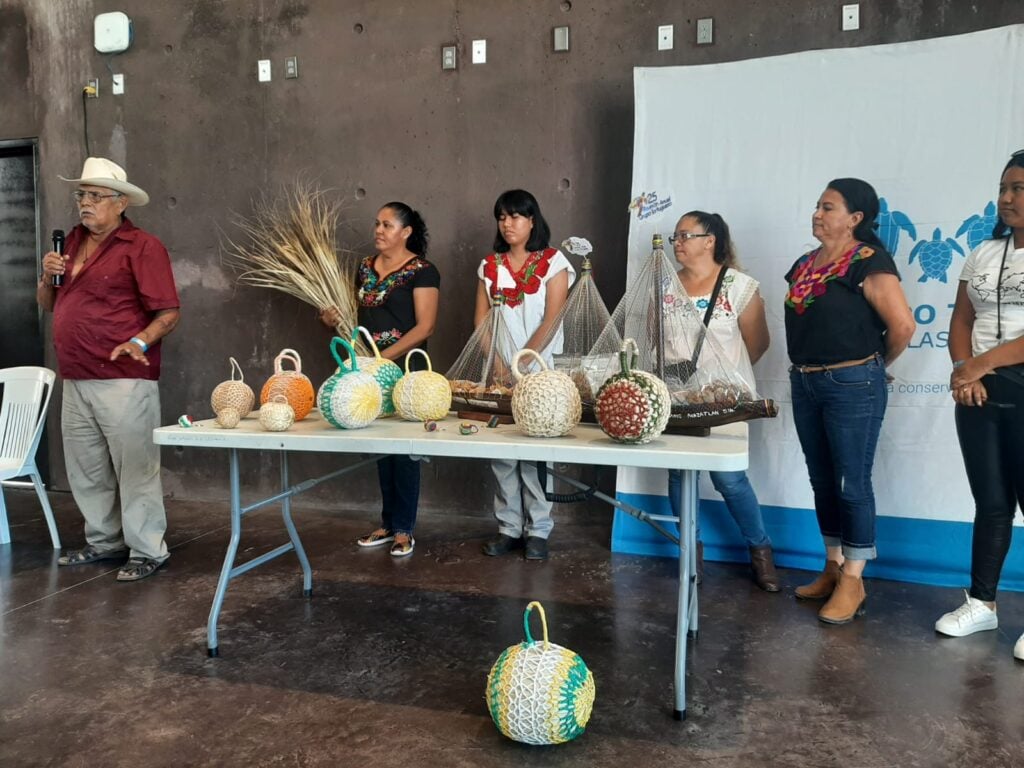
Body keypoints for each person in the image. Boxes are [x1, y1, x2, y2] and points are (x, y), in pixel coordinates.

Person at [37, 157, 180, 582]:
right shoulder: (70, 243)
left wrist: (138, 341)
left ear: (120, 203)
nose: (85, 203)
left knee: (135, 467)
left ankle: (148, 550)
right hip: (76, 374)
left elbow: (169, 312)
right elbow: (50, 306)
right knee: (87, 467)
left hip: (123, 379)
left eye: (95, 196)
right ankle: (105, 543)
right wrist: (47, 278)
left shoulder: (142, 246)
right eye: (81, 194)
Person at [784, 178, 915, 623]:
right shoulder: (804, 264)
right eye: (817, 206)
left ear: (856, 218)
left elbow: (902, 327)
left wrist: (873, 365)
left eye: (829, 207)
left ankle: (853, 580)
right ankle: (833, 565)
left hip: (852, 383)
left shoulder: (868, 261)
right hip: (805, 382)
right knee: (822, 479)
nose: (817, 214)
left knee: (851, 483)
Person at [934, 150, 1024, 659]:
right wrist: (965, 372)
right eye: (1003, 188)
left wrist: (978, 365)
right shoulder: (983, 253)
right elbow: (961, 320)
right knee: (991, 502)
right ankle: (982, 604)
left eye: (1018, 189)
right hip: (979, 388)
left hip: (1014, 382)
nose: (1007, 198)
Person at [665, 211, 778, 592]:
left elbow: (757, 343)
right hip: (677, 397)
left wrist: (726, 379)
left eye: (685, 235)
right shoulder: (665, 286)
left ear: (709, 240)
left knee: (729, 479)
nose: (677, 242)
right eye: (675, 236)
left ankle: (761, 552)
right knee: (680, 476)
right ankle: (689, 556)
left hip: (726, 401)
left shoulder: (739, 286)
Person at [320, 202, 439, 557]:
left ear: (406, 233)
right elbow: (352, 315)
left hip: (405, 372)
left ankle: (404, 529)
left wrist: (382, 360)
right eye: (377, 224)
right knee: (381, 448)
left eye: (387, 225)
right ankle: (388, 524)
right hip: (368, 370)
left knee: (404, 450)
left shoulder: (423, 271)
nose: (379, 230)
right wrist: (331, 319)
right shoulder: (364, 268)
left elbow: (425, 327)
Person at [477, 189, 574, 561]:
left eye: (516, 216)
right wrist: (499, 363)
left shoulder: (553, 262)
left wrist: (525, 362)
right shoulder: (489, 265)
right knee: (501, 452)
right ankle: (508, 528)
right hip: (500, 370)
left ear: (533, 220)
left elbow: (552, 318)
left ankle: (539, 530)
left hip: (541, 370)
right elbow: (481, 320)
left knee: (534, 453)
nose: (508, 223)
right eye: (502, 216)